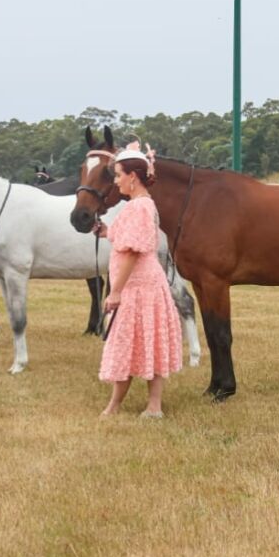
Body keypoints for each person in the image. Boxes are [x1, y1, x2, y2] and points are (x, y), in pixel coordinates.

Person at [96, 143, 183, 418]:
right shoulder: (143, 205)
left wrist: (116, 292)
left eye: (119, 175)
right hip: (146, 284)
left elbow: (133, 251)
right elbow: (129, 240)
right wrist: (108, 232)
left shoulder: (139, 207)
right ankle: (150, 405)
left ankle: (117, 406)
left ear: (133, 177)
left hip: (138, 286)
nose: (116, 181)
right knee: (147, 341)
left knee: (128, 342)